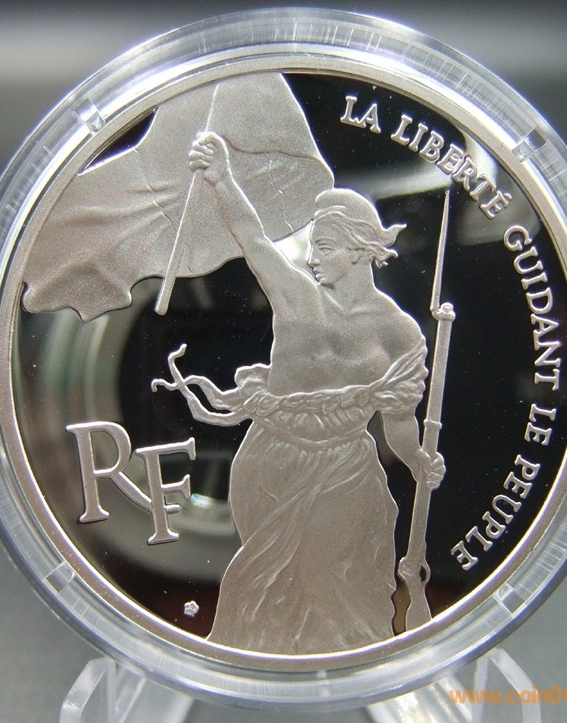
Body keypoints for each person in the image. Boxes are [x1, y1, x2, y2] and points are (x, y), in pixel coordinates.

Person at [162, 132, 443, 654]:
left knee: (337, 580)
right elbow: (252, 238)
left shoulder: (400, 333)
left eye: (325, 248)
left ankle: (347, 670)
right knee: (266, 582)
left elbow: (398, 418)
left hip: (346, 464)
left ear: (360, 249)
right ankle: (270, 670)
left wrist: (417, 460)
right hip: (272, 458)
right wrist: (222, 178)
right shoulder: (296, 296)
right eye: (313, 247)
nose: (312, 259)